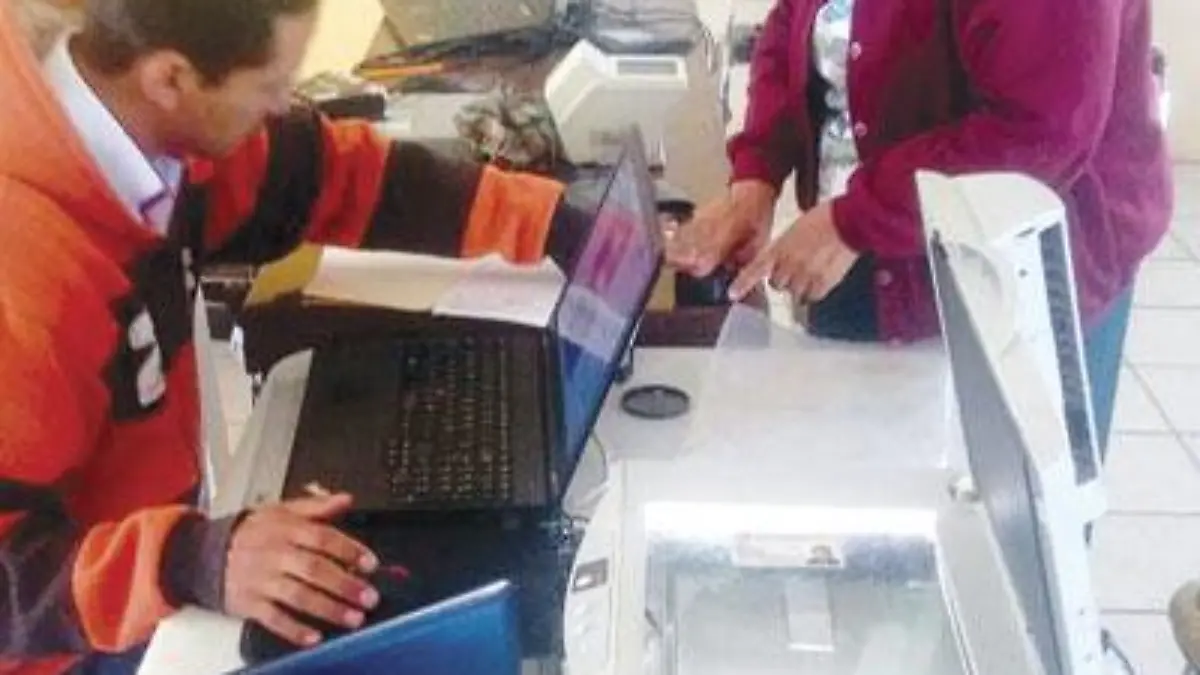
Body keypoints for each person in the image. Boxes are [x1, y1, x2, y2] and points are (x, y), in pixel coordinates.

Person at [0, 0, 588, 672]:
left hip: (147, 553)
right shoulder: (24, 271)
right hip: (61, 640)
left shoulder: (150, 120)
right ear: (170, 78)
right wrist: (191, 559)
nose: (285, 106)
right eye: (272, 86)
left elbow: (336, 174)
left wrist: (565, 229)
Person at [669, 0, 1173, 457]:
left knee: (998, 502)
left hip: (1012, 258)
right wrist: (757, 176)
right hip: (864, 236)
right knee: (862, 474)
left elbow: (1037, 132)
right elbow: (795, 22)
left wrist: (856, 219)